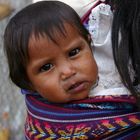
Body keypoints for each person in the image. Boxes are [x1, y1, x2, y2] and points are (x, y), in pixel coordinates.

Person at [4, 1, 140, 139]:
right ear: (28, 83)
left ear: (89, 44)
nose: (68, 72)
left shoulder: (113, 64)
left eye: (74, 52)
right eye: (46, 67)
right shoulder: (44, 124)